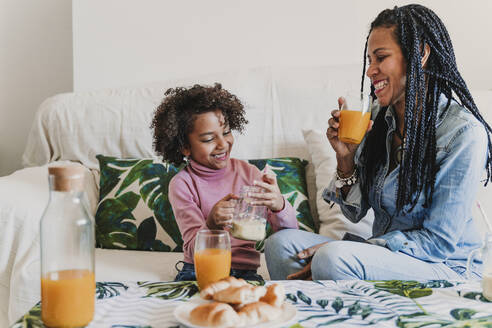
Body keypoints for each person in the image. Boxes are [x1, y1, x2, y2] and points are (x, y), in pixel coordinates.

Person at [265, 4, 492, 281]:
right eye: (369, 60)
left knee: (332, 258)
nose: (370, 70)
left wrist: (358, 249)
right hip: (387, 256)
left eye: (380, 58)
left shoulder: (463, 134)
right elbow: (354, 213)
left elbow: (438, 242)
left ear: (419, 54)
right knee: (281, 246)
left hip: (444, 265)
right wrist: (345, 159)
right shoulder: (373, 118)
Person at [151, 83, 298, 282]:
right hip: (199, 268)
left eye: (227, 132)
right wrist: (211, 225)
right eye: (208, 139)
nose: (222, 144)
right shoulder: (182, 184)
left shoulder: (250, 174)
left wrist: (279, 205)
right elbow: (192, 247)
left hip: (245, 272)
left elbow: (289, 240)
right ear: (185, 147)